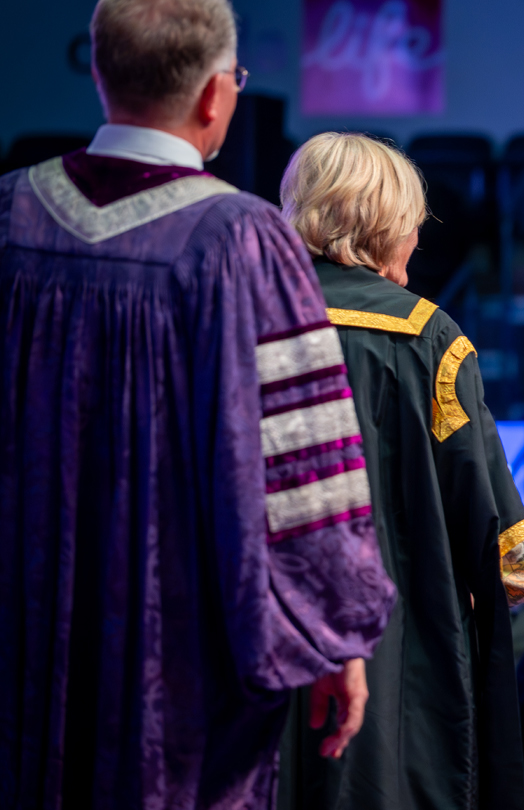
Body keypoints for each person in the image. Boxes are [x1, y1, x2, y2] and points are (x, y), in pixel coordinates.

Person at [0, 1, 398, 808]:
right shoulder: (241, 239)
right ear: (218, 95)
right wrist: (333, 637)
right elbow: (305, 470)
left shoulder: (9, 214)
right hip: (174, 666)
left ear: (100, 73)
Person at [272, 133, 524, 810]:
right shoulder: (428, 337)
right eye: (413, 221)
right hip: (393, 640)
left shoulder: (252, 319)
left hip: (264, 626)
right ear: (383, 221)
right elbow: (490, 520)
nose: (416, 238)